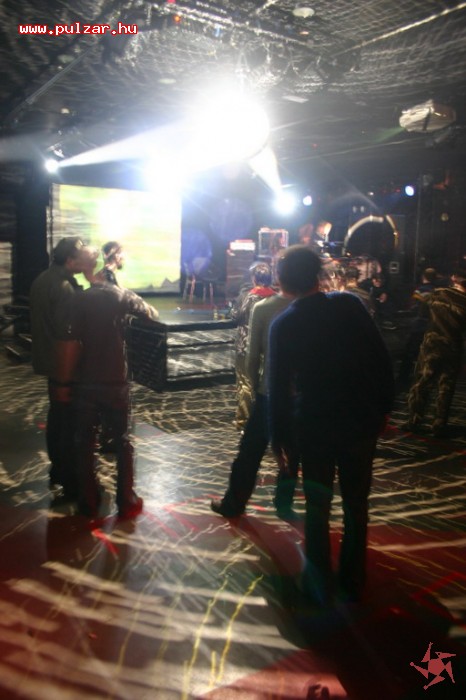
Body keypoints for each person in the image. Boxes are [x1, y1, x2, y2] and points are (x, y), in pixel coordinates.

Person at [268, 245, 394, 606]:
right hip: (359, 420)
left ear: (283, 280)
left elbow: (278, 390)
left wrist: (280, 440)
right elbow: (380, 358)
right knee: (356, 502)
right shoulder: (349, 305)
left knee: (317, 505)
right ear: (317, 274)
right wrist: (385, 407)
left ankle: (317, 579)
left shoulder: (284, 324)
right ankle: (353, 578)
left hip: (314, 425)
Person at [58, 282, 159, 518]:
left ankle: (88, 500)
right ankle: (126, 498)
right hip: (115, 380)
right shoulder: (122, 295)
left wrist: (64, 381)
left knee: (85, 441)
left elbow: (70, 342)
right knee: (122, 440)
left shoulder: (78, 299)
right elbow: (151, 314)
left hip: (85, 380)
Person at [211, 286, 296, 519]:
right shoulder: (314, 307)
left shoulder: (264, 307)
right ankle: (284, 504)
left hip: (268, 392)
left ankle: (234, 503)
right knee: (291, 451)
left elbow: (252, 357)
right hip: (299, 395)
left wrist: (256, 385)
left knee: (250, 452)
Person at [29, 236, 85, 499]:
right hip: (63, 364)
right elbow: (68, 333)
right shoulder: (63, 287)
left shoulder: (43, 279)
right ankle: (68, 476)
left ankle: (58, 470)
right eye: (80, 254)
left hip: (50, 361)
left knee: (57, 418)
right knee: (67, 422)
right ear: (70, 260)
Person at [406, 268, 466, 437]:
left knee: (422, 382)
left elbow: (422, 313)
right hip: (453, 345)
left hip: (432, 343)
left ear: (454, 278)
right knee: (446, 385)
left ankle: (414, 420)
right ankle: (439, 424)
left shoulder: (438, 293)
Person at [231, 262, 276, 430]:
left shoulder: (247, 296)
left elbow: (235, 316)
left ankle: (244, 421)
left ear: (254, 278)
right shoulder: (277, 298)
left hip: (246, 346)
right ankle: (264, 419)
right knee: (265, 384)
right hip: (269, 346)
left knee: (245, 383)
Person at [397, 267, 438, 388]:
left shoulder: (420, 291)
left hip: (418, 326)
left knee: (409, 353)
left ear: (423, 277)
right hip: (432, 326)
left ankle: (403, 379)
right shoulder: (437, 292)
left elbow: (413, 309)